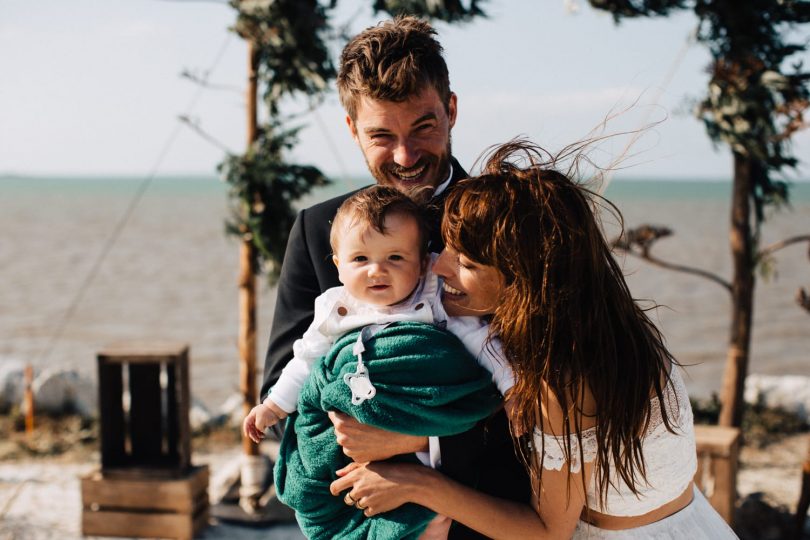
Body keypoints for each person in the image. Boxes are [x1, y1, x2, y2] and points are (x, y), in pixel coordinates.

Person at [329, 139, 739, 539]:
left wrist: (416, 483)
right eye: (450, 249)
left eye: (467, 262)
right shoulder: (612, 326)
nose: (440, 268)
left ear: (523, 279)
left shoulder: (563, 379)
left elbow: (546, 532)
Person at [248, 15, 531, 537]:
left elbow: (549, 388)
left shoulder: (511, 221)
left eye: (423, 127)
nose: (404, 156)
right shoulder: (318, 230)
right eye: (381, 135)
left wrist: (420, 441)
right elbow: (288, 380)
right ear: (352, 128)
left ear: (450, 110)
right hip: (368, 517)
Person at [249, 186, 508, 539]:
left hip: (422, 438)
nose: (376, 271)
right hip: (354, 442)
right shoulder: (336, 307)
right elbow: (305, 359)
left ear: (422, 264)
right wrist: (274, 405)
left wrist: (513, 387)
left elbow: (482, 343)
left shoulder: (433, 300)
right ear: (338, 265)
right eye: (360, 260)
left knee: (431, 520)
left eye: (395, 258)